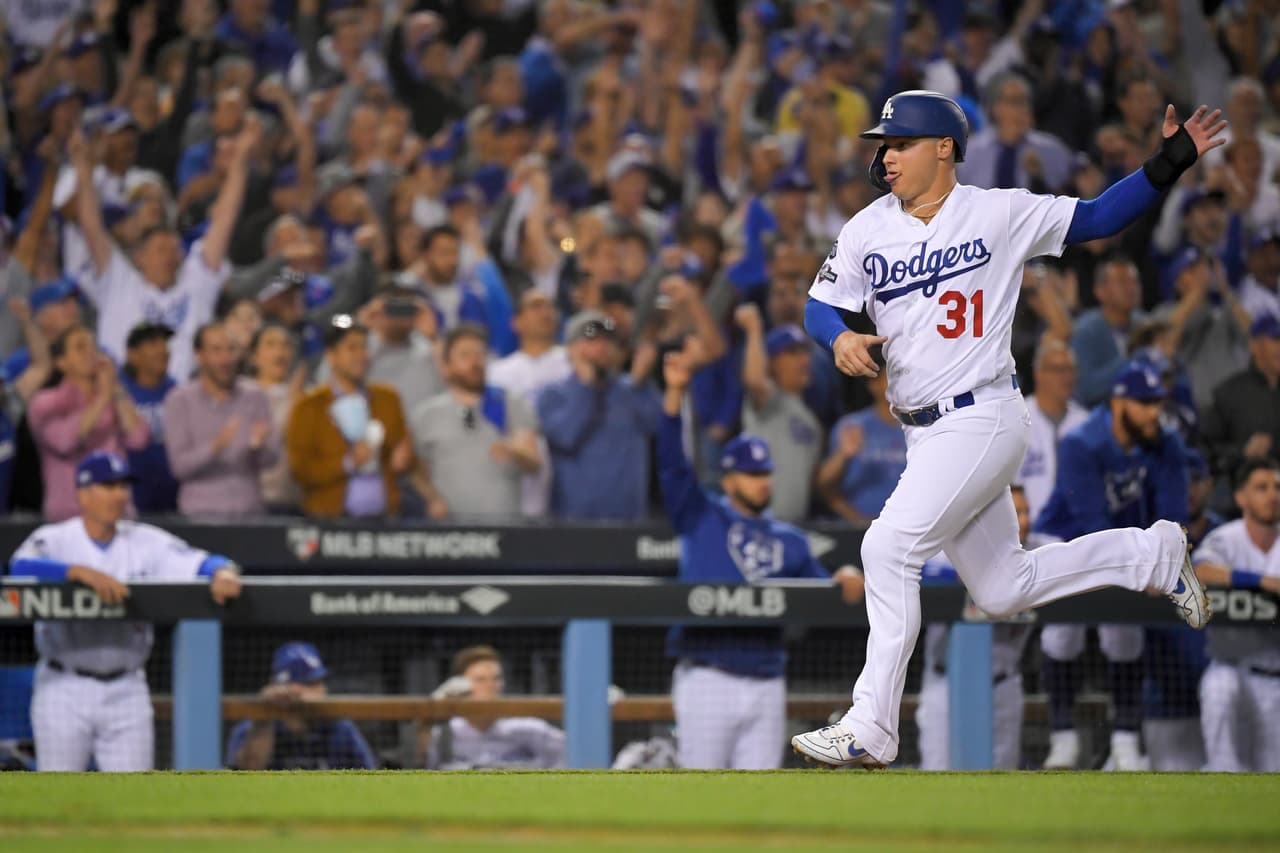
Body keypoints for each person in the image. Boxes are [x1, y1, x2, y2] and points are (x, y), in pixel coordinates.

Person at [793, 90, 1221, 769]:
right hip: (924, 431)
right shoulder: (867, 228)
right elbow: (821, 304)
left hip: (982, 413)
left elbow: (1099, 217)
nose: (886, 156)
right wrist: (837, 338)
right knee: (1002, 588)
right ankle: (1154, 555)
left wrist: (1172, 159)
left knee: (886, 548)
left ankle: (870, 724)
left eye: (900, 143)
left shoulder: (997, 211)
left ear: (943, 147)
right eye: (884, 144)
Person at [658, 343, 863, 769]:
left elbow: (823, 592)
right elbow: (674, 467)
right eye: (751, 474)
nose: (760, 482)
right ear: (729, 479)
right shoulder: (702, 515)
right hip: (708, 672)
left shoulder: (790, 540)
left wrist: (842, 577)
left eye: (764, 473)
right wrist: (674, 397)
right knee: (700, 788)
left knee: (762, 787)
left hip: (768, 675)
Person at [7, 451, 242, 771]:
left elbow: (200, 561)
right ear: (84, 494)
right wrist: (78, 572)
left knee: (133, 796)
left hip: (126, 688)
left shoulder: (145, 540)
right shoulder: (58, 538)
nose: (119, 495)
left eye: (123, 487)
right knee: (57, 794)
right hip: (64, 686)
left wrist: (222, 571)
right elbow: (20, 566)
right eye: (108, 486)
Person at [1034, 361, 1190, 771]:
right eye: (1144, 403)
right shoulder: (1081, 442)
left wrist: (1160, 561)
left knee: (1124, 635)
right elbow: (1090, 521)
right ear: (1119, 403)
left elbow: (1174, 516)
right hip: (1066, 541)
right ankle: (1063, 737)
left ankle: (1124, 741)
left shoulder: (1165, 443)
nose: (1153, 412)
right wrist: (1136, 567)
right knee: (1061, 635)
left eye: (1157, 402)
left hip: (1127, 545)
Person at [70, 119, 254, 382]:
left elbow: (224, 222)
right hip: (122, 404)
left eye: (174, 249)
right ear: (139, 257)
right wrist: (82, 169)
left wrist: (239, 165)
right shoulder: (120, 282)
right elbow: (91, 227)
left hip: (185, 407)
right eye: (159, 249)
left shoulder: (195, 283)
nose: (169, 255)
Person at [915, 484, 1049, 770]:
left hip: (1004, 683)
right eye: (1016, 512)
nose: (1023, 520)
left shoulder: (1039, 550)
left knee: (1002, 778)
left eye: (1026, 512)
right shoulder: (948, 550)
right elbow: (919, 570)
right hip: (945, 681)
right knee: (936, 772)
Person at [1192, 457, 1280, 773]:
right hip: (1232, 669)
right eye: (1262, 488)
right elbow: (1200, 570)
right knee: (1218, 685)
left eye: (1277, 487)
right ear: (1241, 496)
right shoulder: (1226, 538)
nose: (1273, 495)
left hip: (1275, 678)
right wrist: (1260, 582)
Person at [286, 316, 417, 518]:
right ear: (331, 355)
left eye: (364, 347)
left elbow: (405, 458)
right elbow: (301, 471)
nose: (361, 355)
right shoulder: (309, 406)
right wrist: (348, 463)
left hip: (385, 521)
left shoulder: (388, 399)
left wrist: (404, 460)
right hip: (329, 523)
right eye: (352, 348)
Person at [537, 311, 660, 521]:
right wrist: (586, 386)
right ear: (571, 348)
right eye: (591, 339)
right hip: (573, 520)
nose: (602, 347)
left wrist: (640, 385)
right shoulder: (554, 394)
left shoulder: (632, 389)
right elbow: (567, 437)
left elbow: (657, 427)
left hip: (628, 519)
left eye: (608, 340)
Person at [410, 325, 541, 520]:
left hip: (505, 526)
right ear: (446, 365)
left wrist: (514, 452)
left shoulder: (510, 404)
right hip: (449, 530)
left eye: (480, 354)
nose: (475, 362)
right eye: (465, 355)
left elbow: (534, 463)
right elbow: (415, 470)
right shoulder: (425, 415)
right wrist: (432, 499)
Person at [28, 326, 150, 522]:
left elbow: (138, 439)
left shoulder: (116, 397)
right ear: (61, 362)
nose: (90, 353)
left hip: (118, 514)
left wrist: (115, 388)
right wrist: (102, 397)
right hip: (69, 516)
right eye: (80, 347)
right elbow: (65, 442)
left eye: (93, 347)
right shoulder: (45, 402)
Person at [162, 322, 279, 517]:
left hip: (250, 514)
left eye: (231, 349)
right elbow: (179, 468)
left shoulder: (255, 396)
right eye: (216, 350)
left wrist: (259, 449)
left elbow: (272, 460)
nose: (226, 359)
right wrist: (215, 448)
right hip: (200, 517)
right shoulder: (179, 401)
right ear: (199, 355)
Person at [225, 642, 377, 771]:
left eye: (320, 682)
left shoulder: (340, 728)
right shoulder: (253, 727)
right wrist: (264, 721)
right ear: (282, 687)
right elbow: (245, 777)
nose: (322, 690)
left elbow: (371, 781)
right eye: (310, 684)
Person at [736, 306, 821, 523]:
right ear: (772, 362)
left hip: (796, 523)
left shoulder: (812, 420)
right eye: (792, 353)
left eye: (805, 352)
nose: (804, 360)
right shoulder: (769, 401)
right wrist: (754, 330)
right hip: (758, 522)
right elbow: (755, 381)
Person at [420, 645, 565, 770]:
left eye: (496, 679)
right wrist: (436, 705)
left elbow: (572, 756)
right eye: (480, 680)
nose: (491, 686)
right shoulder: (444, 734)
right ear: (459, 686)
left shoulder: (529, 729)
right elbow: (421, 768)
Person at [816, 352, 908, 523]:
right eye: (891, 377)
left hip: (907, 529)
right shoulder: (852, 426)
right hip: (855, 529)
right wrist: (843, 455)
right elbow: (823, 485)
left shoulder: (918, 428)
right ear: (873, 384)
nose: (899, 384)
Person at [1201, 314, 1280, 493]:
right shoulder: (1229, 393)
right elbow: (1207, 450)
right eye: (1276, 340)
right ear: (1254, 345)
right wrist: (1242, 451)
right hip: (1240, 498)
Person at [1018, 339, 1089, 519]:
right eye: (1058, 370)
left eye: (1070, 370)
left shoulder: (1085, 422)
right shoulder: (1017, 418)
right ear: (1038, 374)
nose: (1066, 378)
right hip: (1025, 530)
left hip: (1074, 532)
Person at [1070, 252, 1145, 408]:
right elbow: (1086, 390)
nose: (1131, 288)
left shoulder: (1144, 325)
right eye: (1122, 282)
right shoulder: (1085, 331)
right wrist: (1132, 358)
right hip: (1099, 419)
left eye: (1134, 281)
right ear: (1100, 291)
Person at [119, 322, 178, 514]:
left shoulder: (176, 390)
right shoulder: (118, 390)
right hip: (131, 491)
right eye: (153, 343)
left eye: (164, 343)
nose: (163, 350)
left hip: (172, 493)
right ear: (132, 354)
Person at [246, 322, 304, 512]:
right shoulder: (242, 394)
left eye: (286, 345)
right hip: (250, 499)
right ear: (254, 356)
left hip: (293, 497)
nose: (280, 351)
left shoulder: (305, 395)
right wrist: (293, 405)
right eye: (270, 344)